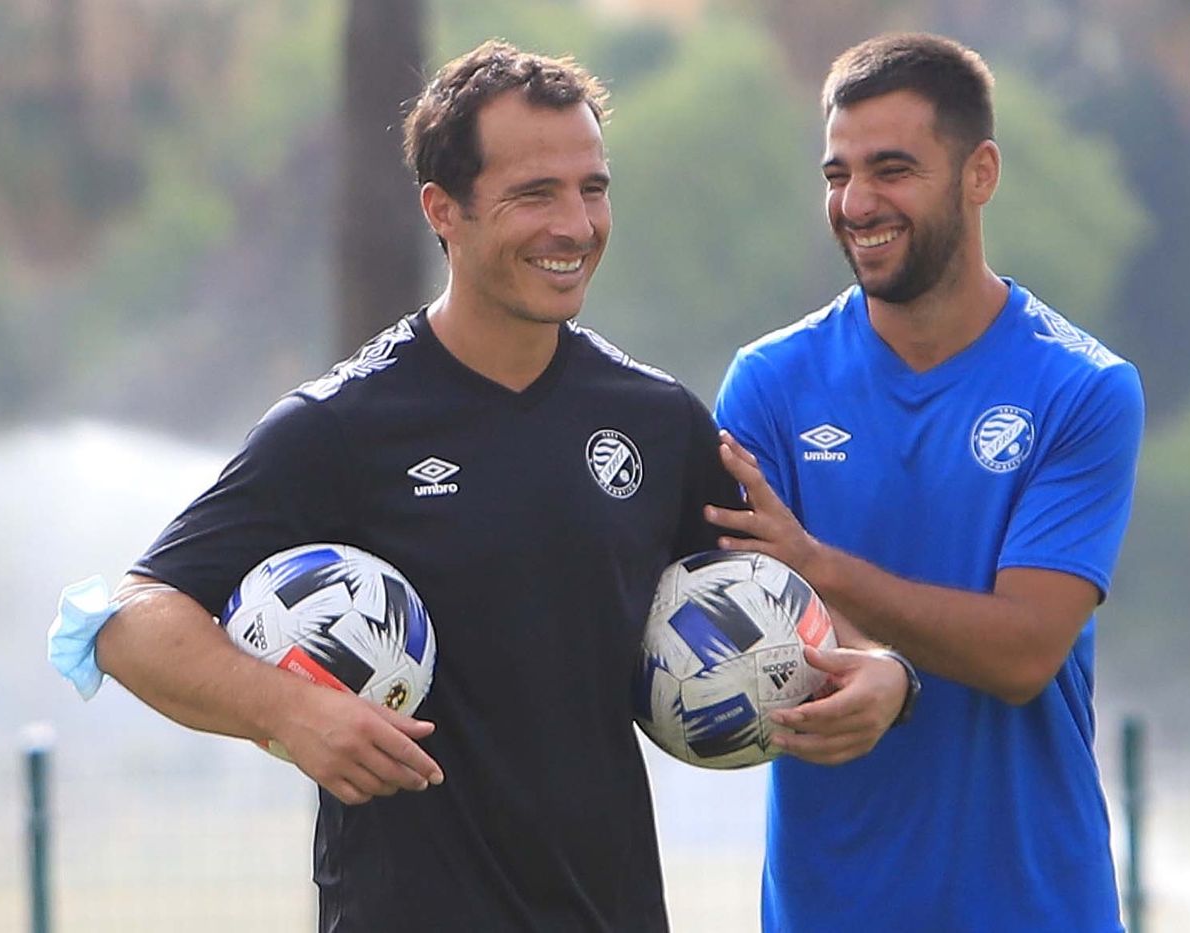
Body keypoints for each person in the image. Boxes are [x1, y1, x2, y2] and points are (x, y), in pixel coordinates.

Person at [46, 40, 907, 931]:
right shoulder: (341, 426)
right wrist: (292, 709)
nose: (575, 224)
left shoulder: (657, 421)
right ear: (442, 209)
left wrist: (884, 674)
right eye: (535, 194)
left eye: (593, 188)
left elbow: (793, 599)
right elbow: (132, 619)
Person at [707, 32, 1145, 932]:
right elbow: (752, 608)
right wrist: (886, 672)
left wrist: (824, 571)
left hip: (1032, 906)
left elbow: (1025, 650)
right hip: (830, 903)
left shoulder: (1082, 387)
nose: (856, 203)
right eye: (837, 174)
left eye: (893, 169)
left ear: (979, 173)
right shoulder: (770, 382)